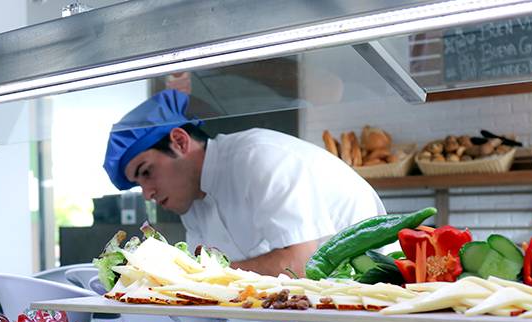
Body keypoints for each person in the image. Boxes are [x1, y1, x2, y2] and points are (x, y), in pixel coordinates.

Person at [103, 89, 385, 276]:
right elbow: (209, 273)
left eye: (146, 172)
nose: (147, 194)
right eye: (137, 184)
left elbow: (300, 264)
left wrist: (194, 278)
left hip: (369, 295)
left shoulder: (258, 158)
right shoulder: (192, 204)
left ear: (179, 142)